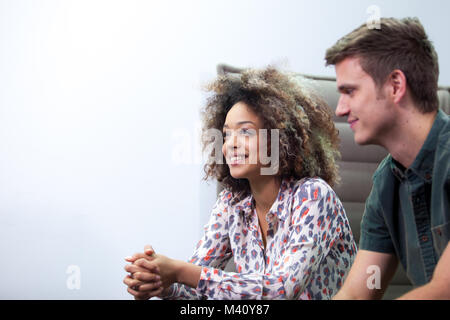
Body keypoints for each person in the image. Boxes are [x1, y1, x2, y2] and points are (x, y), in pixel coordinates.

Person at [123, 67, 357, 300]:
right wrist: (157, 281)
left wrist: (179, 271)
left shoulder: (313, 196)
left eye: (245, 132)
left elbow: (281, 289)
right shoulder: (231, 204)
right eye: (226, 135)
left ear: (278, 138)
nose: (230, 144)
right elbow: (193, 286)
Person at [325, 17, 450, 299]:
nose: (341, 109)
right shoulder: (387, 183)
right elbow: (359, 293)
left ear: (395, 85)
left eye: (350, 91)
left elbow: (443, 291)